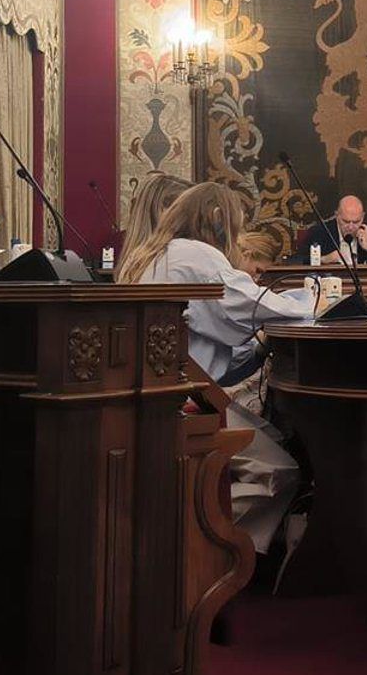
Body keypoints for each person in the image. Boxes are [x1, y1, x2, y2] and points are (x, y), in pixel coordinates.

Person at [117, 182, 315, 554]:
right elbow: (252, 304)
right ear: (218, 219)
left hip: (166, 394)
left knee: (274, 437)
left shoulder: (157, 252)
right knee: (280, 470)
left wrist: (257, 348)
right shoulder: (194, 254)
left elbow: (212, 342)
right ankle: (204, 544)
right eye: (236, 225)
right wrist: (315, 301)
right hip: (187, 403)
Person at [297, 194, 367, 264]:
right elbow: (297, 261)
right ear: (337, 216)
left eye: (356, 222)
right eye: (346, 221)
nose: (351, 227)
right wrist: (323, 259)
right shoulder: (320, 232)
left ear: (362, 217)